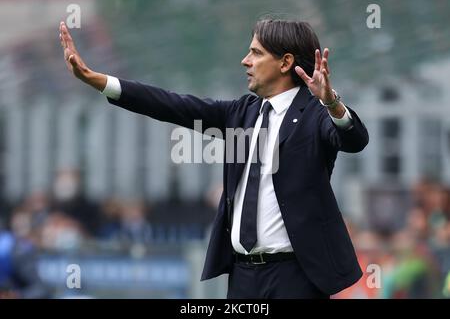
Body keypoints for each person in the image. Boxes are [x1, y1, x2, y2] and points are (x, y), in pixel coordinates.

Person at [59, 18, 369, 298]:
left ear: (285, 62)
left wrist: (332, 103)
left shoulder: (316, 113)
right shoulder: (242, 112)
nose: (245, 61)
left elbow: (354, 139)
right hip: (243, 275)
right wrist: (97, 80)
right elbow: (171, 105)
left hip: (295, 278)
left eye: (256, 53)